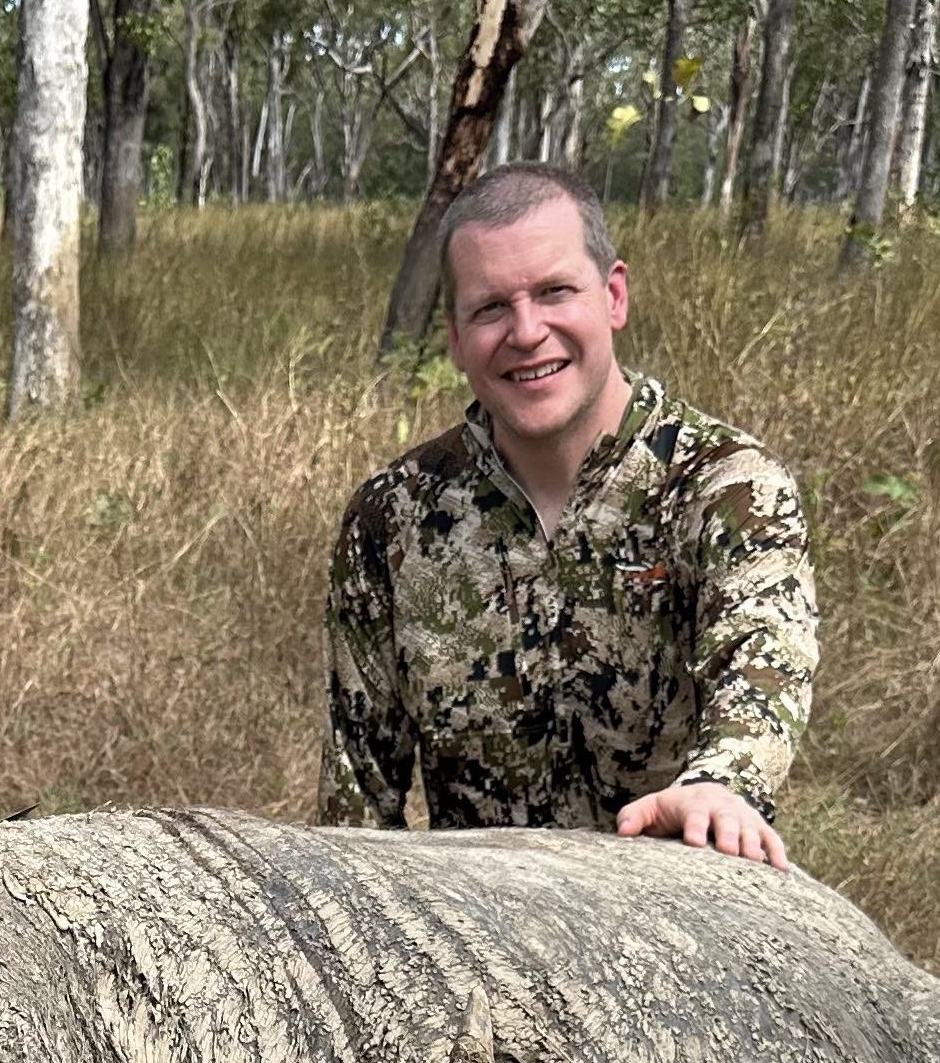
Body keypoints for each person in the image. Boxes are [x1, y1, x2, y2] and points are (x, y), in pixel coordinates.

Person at [323, 163, 818, 867]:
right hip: (476, 933)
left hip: (683, 915)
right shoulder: (392, 519)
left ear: (613, 295)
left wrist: (721, 782)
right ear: (456, 338)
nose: (527, 332)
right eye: (490, 308)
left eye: (556, 292)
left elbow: (765, 661)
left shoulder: (726, 487)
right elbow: (356, 803)